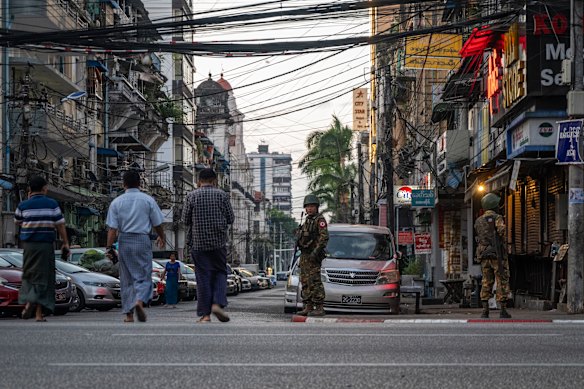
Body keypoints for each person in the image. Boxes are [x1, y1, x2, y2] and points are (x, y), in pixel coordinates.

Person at [106, 170, 166, 323]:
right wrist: (162, 236)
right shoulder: (147, 200)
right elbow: (157, 223)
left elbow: (112, 229)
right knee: (143, 275)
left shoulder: (117, 202)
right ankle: (139, 301)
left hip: (124, 240)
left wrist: (109, 247)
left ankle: (129, 314)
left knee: (126, 278)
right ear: (140, 183)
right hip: (142, 239)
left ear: (123, 184)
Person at [14, 176, 70, 322]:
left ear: (30, 190)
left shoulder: (23, 205)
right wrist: (65, 243)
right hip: (45, 246)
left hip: (28, 247)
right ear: (45, 189)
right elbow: (60, 225)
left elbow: (18, 221)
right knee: (45, 278)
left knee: (29, 275)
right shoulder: (52, 204)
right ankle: (39, 314)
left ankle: (28, 302)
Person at [182, 168, 234, 323]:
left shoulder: (191, 196)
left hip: (198, 243)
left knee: (203, 277)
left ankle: (205, 315)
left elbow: (185, 220)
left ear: (199, 181)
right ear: (215, 180)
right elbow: (230, 218)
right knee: (220, 273)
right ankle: (217, 304)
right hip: (218, 243)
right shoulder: (222, 195)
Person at [474, 192, 512, 319]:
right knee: (502, 280)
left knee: (486, 281)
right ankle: (503, 310)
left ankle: (485, 311)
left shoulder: (478, 220)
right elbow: (502, 231)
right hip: (497, 254)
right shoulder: (497, 218)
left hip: (484, 254)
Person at [296, 194, 329, 317]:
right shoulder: (307, 220)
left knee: (315, 281)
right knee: (305, 281)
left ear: (316, 207)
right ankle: (308, 306)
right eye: (307, 207)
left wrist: (315, 252)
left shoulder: (319, 220)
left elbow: (324, 237)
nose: (309, 209)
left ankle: (319, 306)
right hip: (305, 254)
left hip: (314, 255)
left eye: (311, 206)